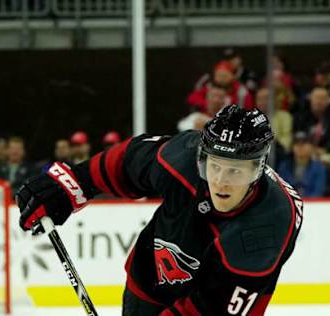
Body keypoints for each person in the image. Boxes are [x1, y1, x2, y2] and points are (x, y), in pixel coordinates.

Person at [17, 105, 303, 316]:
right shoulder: (182, 160)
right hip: (154, 274)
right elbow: (127, 162)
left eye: (235, 172)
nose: (220, 182)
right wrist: (72, 184)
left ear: (258, 169)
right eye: (213, 166)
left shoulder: (268, 225)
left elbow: (208, 310)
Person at [187, 61, 254, 112]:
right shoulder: (209, 87)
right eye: (219, 76)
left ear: (232, 76)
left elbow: (249, 109)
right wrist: (208, 105)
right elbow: (192, 99)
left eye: (224, 76)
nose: (221, 79)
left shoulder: (241, 91)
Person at [278, 131, 326, 197]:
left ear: (311, 147)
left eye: (303, 144)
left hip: (313, 204)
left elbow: (318, 192)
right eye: (297, 144)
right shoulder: (284, 167)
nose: (300, 147)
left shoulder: (319, 168)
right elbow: (281, 191)